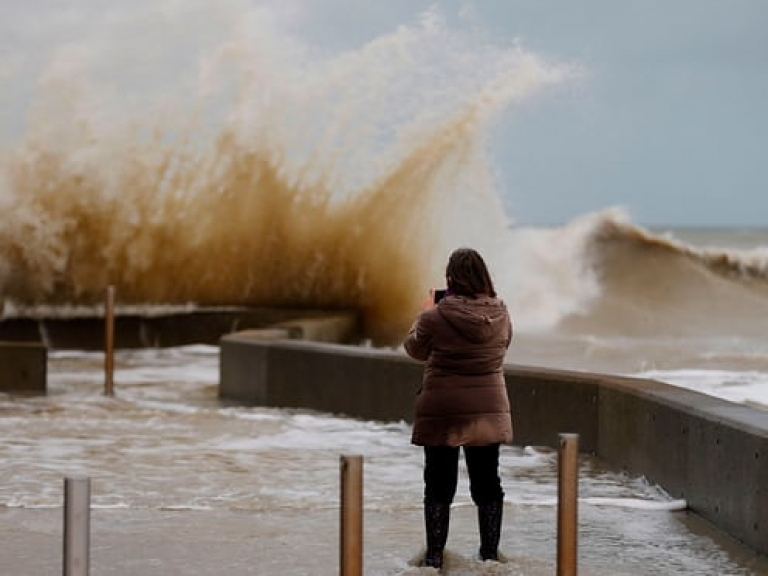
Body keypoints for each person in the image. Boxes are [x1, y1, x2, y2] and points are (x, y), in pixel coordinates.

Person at [403, 247, 513, 569]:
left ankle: (435, 557)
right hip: (487, 408)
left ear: (450, 279)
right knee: (487, 481)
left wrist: (422, 312)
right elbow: (504, 345)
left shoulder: (435, 316)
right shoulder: (501, 313)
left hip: (444, 409)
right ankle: (489, 556)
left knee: (438, 484)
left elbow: (414, 349)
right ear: (483, 277)